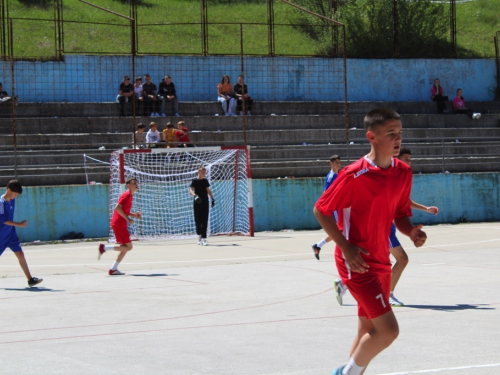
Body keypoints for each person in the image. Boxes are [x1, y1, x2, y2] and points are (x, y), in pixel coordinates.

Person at [314, 108, 427, 375]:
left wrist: (410, 232)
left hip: (381, 260)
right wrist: (345, 246)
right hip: (357, 262)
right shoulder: (354, 175)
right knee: (388, 331)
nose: (397, 139)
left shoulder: (402, 172)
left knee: (368, 330)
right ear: (371, 137)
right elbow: (321, 209)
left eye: (399, 133)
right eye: (390, 134)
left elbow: (400, 212)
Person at [334, 148, 439, 307]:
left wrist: (421, 214)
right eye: (406, 158)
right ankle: (387, 294)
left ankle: (345, 283)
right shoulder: (363, 173)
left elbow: (403, 203)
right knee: (402, 259)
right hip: (380, 230)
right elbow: (323, 208)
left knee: (374, 267)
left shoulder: (399, 175)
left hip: (387, 228)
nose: (409, 162)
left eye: (410, 159)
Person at [0, 180, 43, 287]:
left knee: (20, 254)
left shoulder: (12, 200)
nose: (15, 196)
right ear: (8, 190)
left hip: (11, 234)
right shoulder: (1, 203)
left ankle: (30, 280)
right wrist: (19, 224)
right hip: (1, 236)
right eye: (14, 194)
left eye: (17, 195)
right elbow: (3, 220)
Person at [98, 177, 141, 275]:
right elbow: (117, 207)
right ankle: (104, 248)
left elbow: (123, 210)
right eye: (134, 183)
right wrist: (128, 219)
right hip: (119, 223)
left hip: (120, 223)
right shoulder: (126, 195)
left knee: (124, 248)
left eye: (137, 183)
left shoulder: (130, 196)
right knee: (129, 247)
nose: (136, 184)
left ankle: (113, 269)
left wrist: (133, 214)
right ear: (128, 186)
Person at [311, 154, 341, 260]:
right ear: (331, 163)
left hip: (337, 207)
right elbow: (327, 193)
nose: (338, 164)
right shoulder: (332, 176)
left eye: (339, 162)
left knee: (340, 230)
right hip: (335, 208)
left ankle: (319, 245)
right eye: (336, 162)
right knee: (339, 230)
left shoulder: (336, 175)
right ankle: (342, 252)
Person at [189, 167, 215, 246]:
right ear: (199, 172)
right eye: (203, 172)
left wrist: (212, 199)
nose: (204, 173)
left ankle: (203, 238)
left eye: (205, 172)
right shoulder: (194, 181)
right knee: (198, 220)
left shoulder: (205, 181)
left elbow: (208, 190)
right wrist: (195, 196)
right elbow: (190, 190)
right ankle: (199, 235)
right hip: (197, 202)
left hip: (205, 202)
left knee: (204, 220)